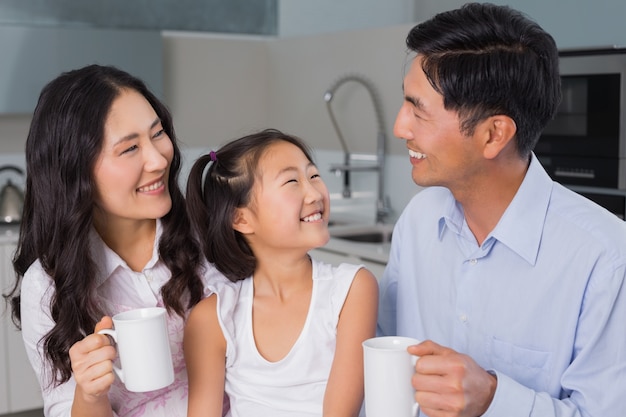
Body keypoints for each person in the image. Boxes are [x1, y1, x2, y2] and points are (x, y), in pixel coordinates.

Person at [377, 3, 626, 417]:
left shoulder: (605, 258)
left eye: (418, 110)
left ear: (494, 134)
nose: (400, 127)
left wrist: (494, 398)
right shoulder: (418, 221)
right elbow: (384, 355)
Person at [3, 64, 223, 417]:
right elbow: (63, 408)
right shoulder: (48, 286)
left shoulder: (209, 236)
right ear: (76, 172)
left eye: (158, 133)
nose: (157, 159)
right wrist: (90, 396)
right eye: (129, 148)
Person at [184, 128, 379, 417]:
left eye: (313, 175)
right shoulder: (214, 318)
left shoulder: (351, 289)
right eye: (292, 181)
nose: (314, 192)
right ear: (241, 218)